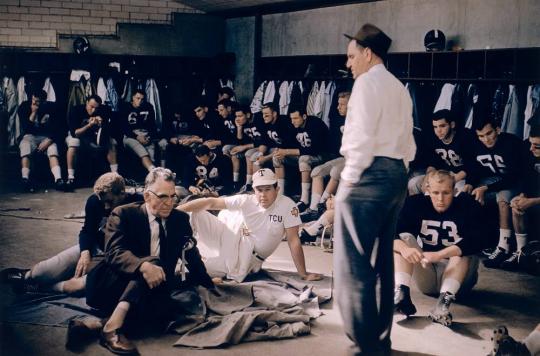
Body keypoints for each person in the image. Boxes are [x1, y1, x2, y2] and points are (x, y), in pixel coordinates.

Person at [334, 23, 416, 355]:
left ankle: (362, 346)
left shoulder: (366, 84)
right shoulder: (399, 86)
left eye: (352, 56)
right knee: (381, 261)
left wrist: (347, 181)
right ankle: (379, 341)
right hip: (396, 173)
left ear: (368, 54)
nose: (349, 64)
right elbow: (410, 141)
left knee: (351, 265)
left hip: (367, 175)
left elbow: (360, 139)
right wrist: (400, 171)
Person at [85, 168, 215, 355]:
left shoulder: (179, 219)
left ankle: (94, 325)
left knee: (164, 317)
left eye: (173, 197)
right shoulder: (123, 214)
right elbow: (114, 253)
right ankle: (110, 329)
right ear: (146, 196)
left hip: (152, 288)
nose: (169, 203)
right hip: (114, 283)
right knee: (154, 263)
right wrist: (143, 266)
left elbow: (190, 253)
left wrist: (208, 284)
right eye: (163, 197)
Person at [0, 173, 142, 294]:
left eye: (110, 202)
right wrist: (85, 253)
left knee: (77, 286)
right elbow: (87, 231)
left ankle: (43, 288)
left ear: (122, 193)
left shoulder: (137, 205)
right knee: (41, 272)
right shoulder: (94, 201)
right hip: (96, 247)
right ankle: (27, 276)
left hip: (118, 255)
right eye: (102, 202)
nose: (106, 207)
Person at [178, 168, 322, 283]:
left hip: (246, 257)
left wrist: (303, 274)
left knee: (194, 270)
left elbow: (293, 240)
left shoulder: (288, 206)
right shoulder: (247, 200)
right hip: (230, 238)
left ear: (277, 189)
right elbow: (210, 202)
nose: (263, 195)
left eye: (268, 189)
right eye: (259, 190)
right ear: (254, 190)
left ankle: (205, 265)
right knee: (194, 213)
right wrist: (174, 212)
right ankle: (173, 251)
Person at [393, 170, 483, 327]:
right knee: (403, 240)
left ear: (455, 191)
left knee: (462, 250)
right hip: (428, 273)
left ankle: (442, 306)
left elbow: (480, 240)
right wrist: (406, 250)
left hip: (459, 280)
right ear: (428, 191)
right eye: (435, 192)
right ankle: (402, 294)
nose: (440, 199)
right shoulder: (415, 203)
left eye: (446, 193)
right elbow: (388, 234)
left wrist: (440, 254)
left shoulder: (467, 204)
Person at [464, 118, 530, 268]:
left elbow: (515, 176)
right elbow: (473, 168)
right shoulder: (475, 144)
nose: (486, 139)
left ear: (498, 130)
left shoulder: (511, 143)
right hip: (494, 179)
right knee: (467, 195)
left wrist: (486, 188)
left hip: (516, 182)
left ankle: (504, 247)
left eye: (489, 133)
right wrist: (470, 183)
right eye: (481, 136)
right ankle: (479, 241)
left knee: (503, 196)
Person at [303, 91, 350, 221]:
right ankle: (313, 209)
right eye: (338, 104)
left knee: (336, 171)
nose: (338, 107)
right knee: (317, 172)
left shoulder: (360, 121)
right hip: (343, 157)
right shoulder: (339, 119)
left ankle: (321, 206)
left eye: (342, 104)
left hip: (355, 160)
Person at [272, 105, 330, 210]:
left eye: (295, 118)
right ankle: (280, 195)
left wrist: (287, 151)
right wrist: (281, 151)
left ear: (304, 116)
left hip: (323, 155)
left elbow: (315, 149)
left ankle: (304, 200)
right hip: (304, 155)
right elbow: (287, 144)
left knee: (304, 159)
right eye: (291, 118)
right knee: (277, 157)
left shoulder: (315, 124)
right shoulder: (293, 126)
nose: (293, 121)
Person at [408, 109, 473, 195]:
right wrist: (428, 178)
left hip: (462, 177)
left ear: (452, 125)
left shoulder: (463, 138)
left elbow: (471, 166)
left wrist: (451, 181)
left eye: (442, 126)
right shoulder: (434, 139)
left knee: (452, 195)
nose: (438, 130)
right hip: (444, 174)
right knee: (413, 183)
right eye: (435, 127)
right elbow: (433, 162)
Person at [503, 124, 540, 270]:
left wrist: (532, 201)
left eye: (536, 146)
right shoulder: (530, 153)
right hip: (534, 198)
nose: (531, 149)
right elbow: (526, 180)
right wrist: (521, 196)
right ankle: (521, 252)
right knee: (517, 206)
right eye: (531, 143)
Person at [65, 95, 118, 190]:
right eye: (91, 107)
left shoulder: (103, 110)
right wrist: (89, 125)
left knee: (111, 142)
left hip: (93, 136)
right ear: (87, 103)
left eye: (96, 108)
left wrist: (102, 124)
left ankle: (116, 175)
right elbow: (75, 133)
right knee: (73, 143)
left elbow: (109, 130)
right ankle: (70, 177)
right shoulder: (76, 110)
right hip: (77, 135)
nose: (93, 110)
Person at [17, 89, 64, 192]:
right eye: (33, 99)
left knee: (53, 150)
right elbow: (26, 129)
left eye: (37, 101)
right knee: (25, 146)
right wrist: (33, 113)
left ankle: (58, 179)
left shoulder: (52, 108)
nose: (34, 103)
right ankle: (25, 179)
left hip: (47, 137)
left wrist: (50, 140)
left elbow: (59, 128)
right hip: (30, 136)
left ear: (44, 101)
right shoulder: (24, 106)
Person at [120, 89, 158, 172]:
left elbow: (152, 125)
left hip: (145, 135)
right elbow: (124, 127)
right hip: (130, 136)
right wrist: (137, 137)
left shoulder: (148, 106)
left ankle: (154, 177)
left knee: (152, 156)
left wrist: (149, 137)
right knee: (143, 153)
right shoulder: (125, 107)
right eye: (138, 98)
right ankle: (154, 172)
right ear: (133, 97)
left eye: (142, 99)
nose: (140, 101)